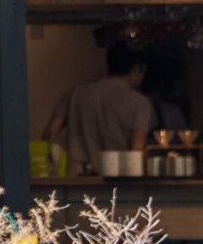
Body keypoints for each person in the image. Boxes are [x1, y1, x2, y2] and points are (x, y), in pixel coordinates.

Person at [44, 41, 156, 172]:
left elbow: (49, 134)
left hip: (76, 176)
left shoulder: (75, 93)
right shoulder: (140, 103)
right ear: (137, 69)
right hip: (117, 176)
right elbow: (136, 149)